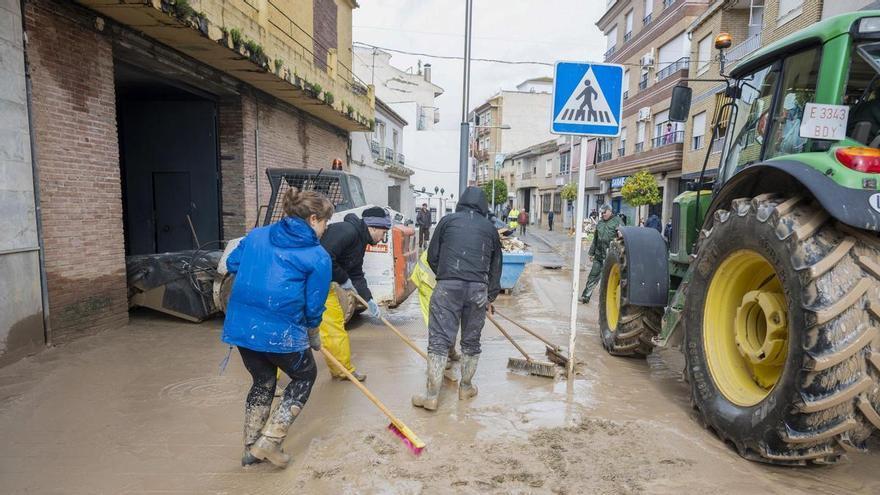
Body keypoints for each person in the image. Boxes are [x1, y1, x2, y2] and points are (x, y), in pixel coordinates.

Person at [221, 188, 334, 468]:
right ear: (312, 219)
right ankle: (269, 442)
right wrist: (313, 334)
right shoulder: (317, 256)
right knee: (305, 375)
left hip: (243, 328)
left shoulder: (258, 234)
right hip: (281, 332)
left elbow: (232, 263)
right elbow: (314, 305)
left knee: (262, 381)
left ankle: (250, 449)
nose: (326, 228)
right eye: (325, 222)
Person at [412, 187, 502, 411]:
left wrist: (447, 276)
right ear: (483, 206)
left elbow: (432, 255)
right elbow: (496, 266)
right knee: (471, 342)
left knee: (439, 341)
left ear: (461, 202)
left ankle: (431, 395)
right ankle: (466, 387)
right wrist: (490, 295)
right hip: (478, 290)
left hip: (447, 287)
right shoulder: (490, 229)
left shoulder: (447, 221)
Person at [318, 206, 391, 382]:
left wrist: (369, 300)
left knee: (335, 329)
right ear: (372, 227)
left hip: (323, 286)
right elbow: (324, 256)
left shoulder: (360, 241)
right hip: (302, 283)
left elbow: (356, 273)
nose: (382, 239)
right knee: (286, 330)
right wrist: (343, 278)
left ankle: (342, 370)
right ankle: (270, 380)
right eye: (383, 232)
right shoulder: (347, 231)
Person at [581, 204, 622, 303]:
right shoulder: (600, 223)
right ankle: (585, 296)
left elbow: (621, 237)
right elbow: (595, 239)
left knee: (608, 280)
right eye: (601, 213)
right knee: (593, 276)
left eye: (604, 212)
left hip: (610, 257)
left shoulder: (617, 221)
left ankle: (608, 301)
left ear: (609, 211)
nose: (602, 214)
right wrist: (591, 253)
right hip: (599, 255)